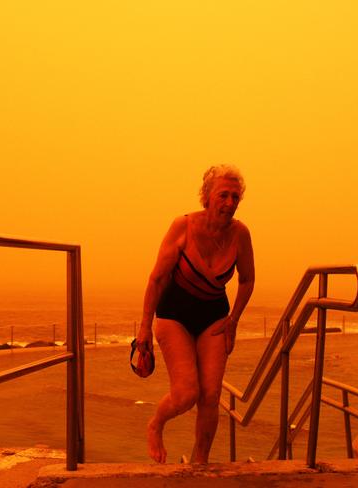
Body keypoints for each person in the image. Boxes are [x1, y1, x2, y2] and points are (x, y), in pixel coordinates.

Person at [136, 164, 255, 464]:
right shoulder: (183, 226)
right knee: (188, 393)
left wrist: (234, 320)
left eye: (235, 197)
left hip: (214, 316)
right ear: (207, 197)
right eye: (223, 195)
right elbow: (157, 279)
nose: (229, 203)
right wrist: (143, 330)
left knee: (211, 396)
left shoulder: (240, 234)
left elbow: (247, 279)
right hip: (173, 314)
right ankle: (156, 423)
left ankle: (200, 463)